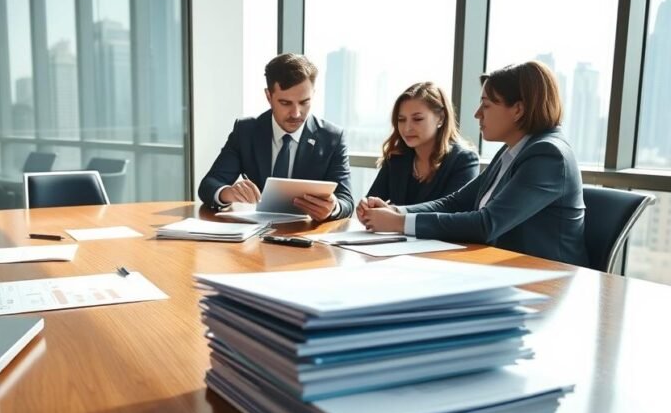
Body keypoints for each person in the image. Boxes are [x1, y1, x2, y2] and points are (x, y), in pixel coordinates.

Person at [358, 60, 588, 267]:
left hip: (546, 280)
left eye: (486, 105)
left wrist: (400, 222)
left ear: (518, 109)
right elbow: (456, 202)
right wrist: (396, 211)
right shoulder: (511, 151)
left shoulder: (548, 155)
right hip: (504, 269)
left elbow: (487, 224)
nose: (477, 114)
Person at [198, 53, 354, 221]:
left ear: (313, 95)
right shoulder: (246, 131)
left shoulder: (332, 138)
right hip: (256, 236)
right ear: (268, 96)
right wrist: (228, 193)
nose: (296, 113)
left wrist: (333, 207)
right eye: (285, 103)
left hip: (307, 237)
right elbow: (209, 185)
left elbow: (346, 201)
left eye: (304, 102)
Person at [365, 82, 478, 206]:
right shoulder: (397, 157)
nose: (407, 128)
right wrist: (365, 206)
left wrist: (395, 214)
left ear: (440, 118)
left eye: (417, 119)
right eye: (401, 120)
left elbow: (451, 213)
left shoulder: (463, 160)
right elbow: (372, 199)